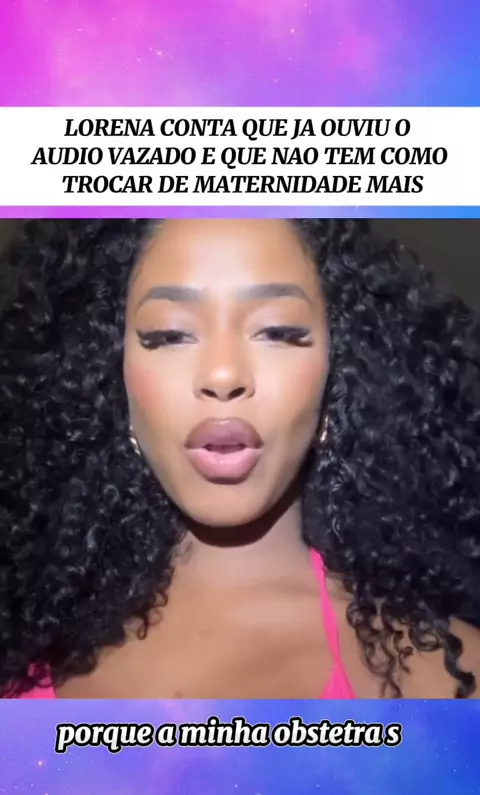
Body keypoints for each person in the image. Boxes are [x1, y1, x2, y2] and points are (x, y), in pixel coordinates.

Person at [1, 217, 480, 701]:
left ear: (339, 375)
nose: (223, 374)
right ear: (110, 376)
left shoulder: (448, 683)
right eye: (169, 335)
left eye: (277, 331)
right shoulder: (23, 635)